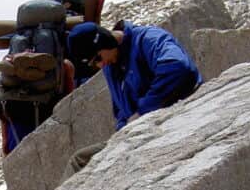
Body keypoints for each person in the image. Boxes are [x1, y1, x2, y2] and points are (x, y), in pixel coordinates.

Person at [67, 21, 201, 131]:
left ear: (105, 41)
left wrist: (143, 110)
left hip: (180, 113)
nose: (100, 65)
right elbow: (120, 111)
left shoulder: (148, 38)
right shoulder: (110, 66)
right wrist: (123, 129)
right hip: (143, 129)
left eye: (98, 58)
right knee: (80, 160)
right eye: (93, 64)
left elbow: (178, 66)